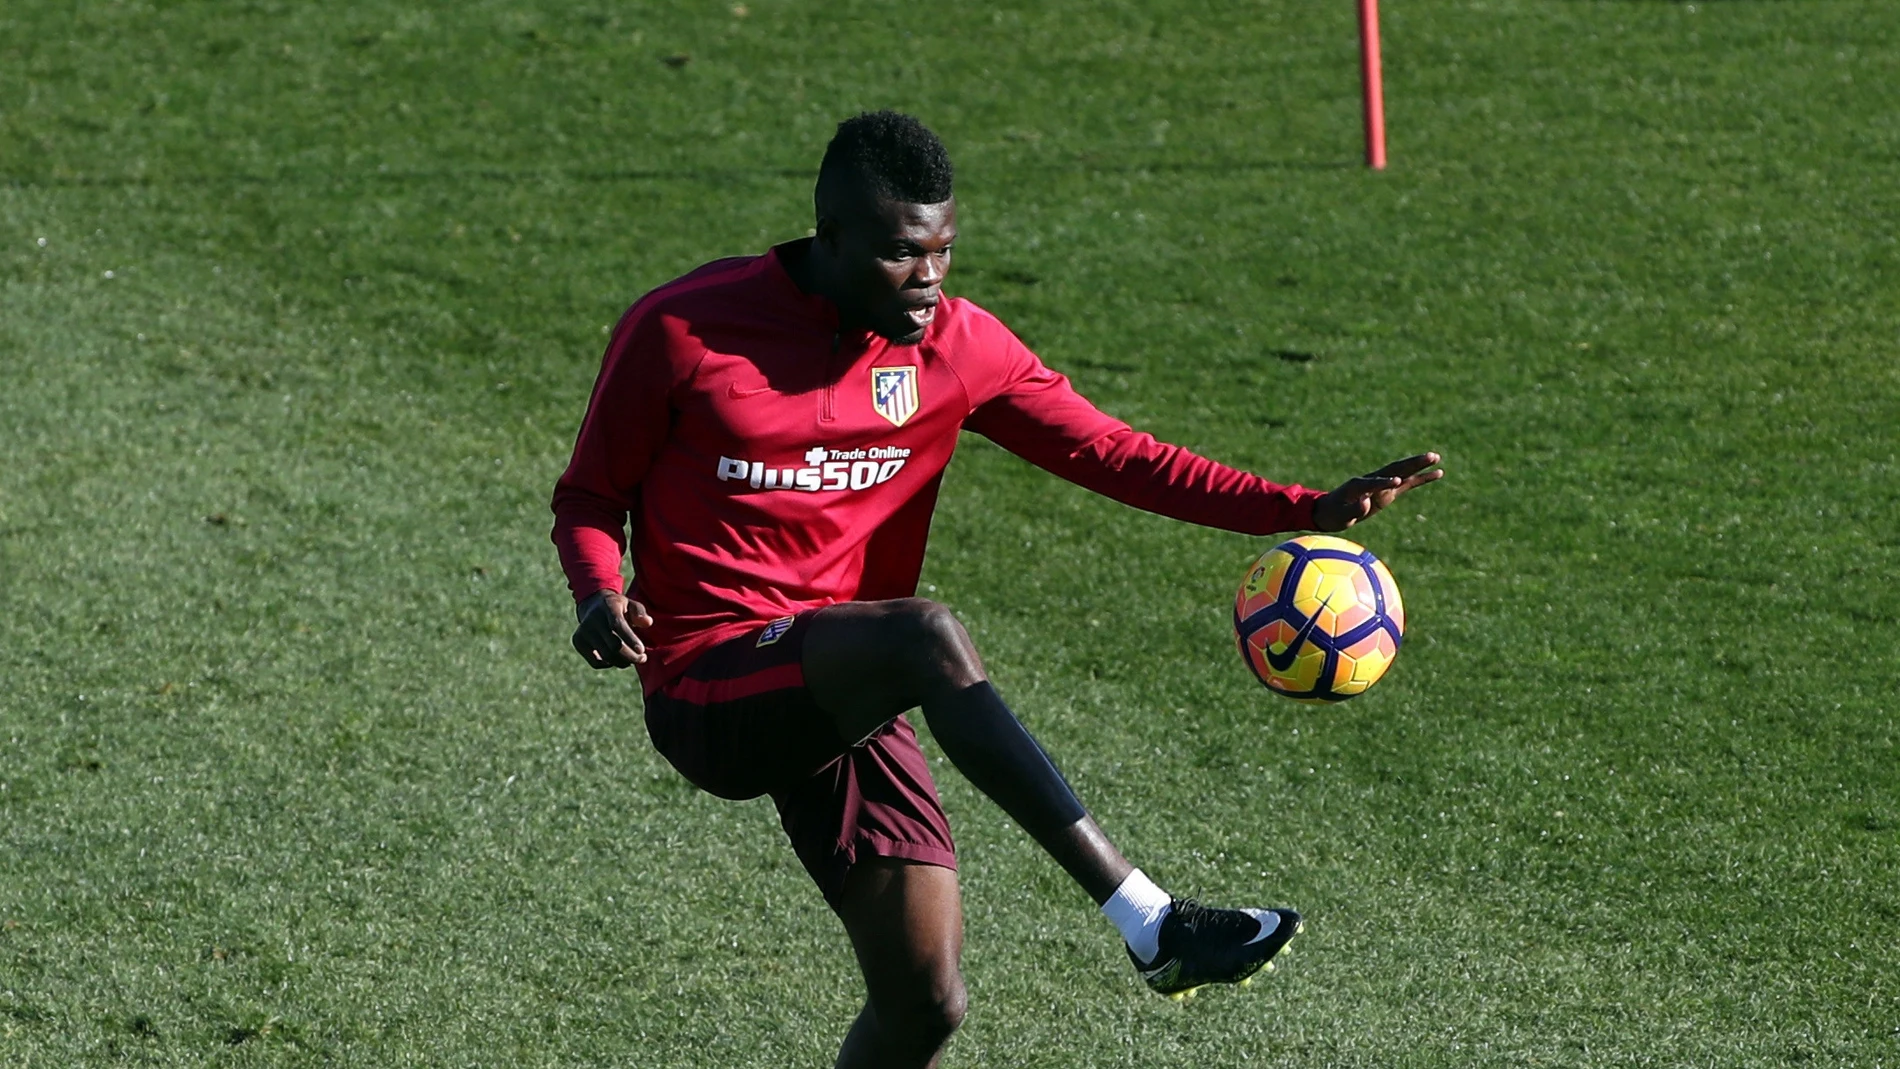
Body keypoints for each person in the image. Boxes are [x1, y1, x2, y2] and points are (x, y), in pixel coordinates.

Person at [552, 110, 1442, 1068]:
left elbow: (1113, 452)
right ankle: (1151, 921)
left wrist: (1300, 506)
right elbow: (591, 495)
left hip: (849, 681)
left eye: (942, 251)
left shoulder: (956, 347)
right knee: (928, 636)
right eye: (901, 254)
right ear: (830, 234)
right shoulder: (684, 329)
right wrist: (598, 589)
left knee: (926, 1000)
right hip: (705, 678)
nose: (929, 278)